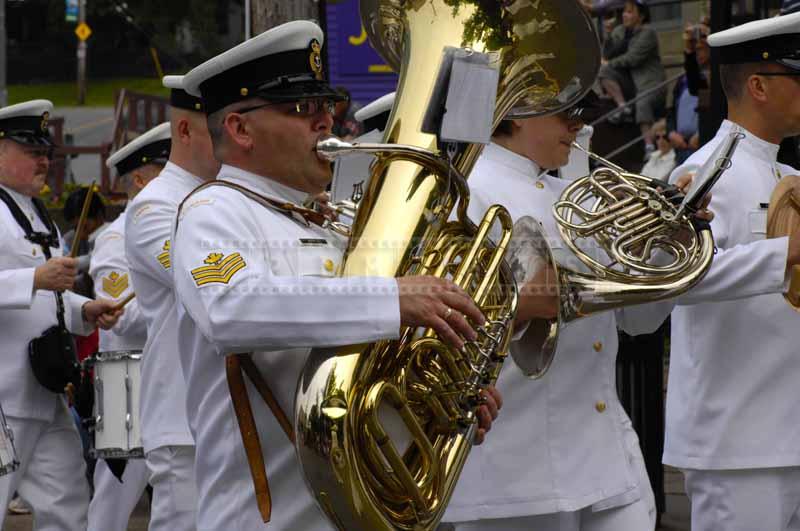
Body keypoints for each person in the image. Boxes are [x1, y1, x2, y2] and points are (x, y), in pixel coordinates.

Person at [175, 20, 499, 530]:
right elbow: (230, 309)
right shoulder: (213, 212)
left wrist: (444, 406)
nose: (327, 121)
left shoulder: (333, 223)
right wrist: (391, 299)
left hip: (368, 509)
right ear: (240, 129)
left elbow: (364, 369)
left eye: (328, 106)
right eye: (303, 109)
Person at [440, 87, 690, 530]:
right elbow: (438, 337)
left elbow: (636, 321)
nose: (578, 124)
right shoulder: (466, 194)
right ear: (515, 114)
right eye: (565, 113)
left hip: (605, 455)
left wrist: (669, 246)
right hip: (514, 469)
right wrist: (520, 305)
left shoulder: (578, 196)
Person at [665, 13, 800, 531]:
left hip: (785, 427)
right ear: (759, 85)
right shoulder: (702, 173)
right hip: (737, 439)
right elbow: (682, 280)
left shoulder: (787, 173)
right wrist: (783, 254)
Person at [0, 99, 121, 530]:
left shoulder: (36, 214)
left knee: (69, 503)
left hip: (44, 390)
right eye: (31, 152)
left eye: (45, 153)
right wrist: (34, 277)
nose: (44, 161)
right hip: (3, 398)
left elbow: (47, 295)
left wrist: (84, 309)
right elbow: (36, 282)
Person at [123, 75, 220, 531]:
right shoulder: (153, 207)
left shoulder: (221, 199)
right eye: (216, 125)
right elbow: (211, 285)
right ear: (185, 131)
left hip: (221, 412)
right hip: (183, 420)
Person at [87, 123, 170, 531]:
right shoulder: (115, 238)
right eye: (164, 168)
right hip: (126, 378)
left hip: (161, 371)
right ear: (140, 179)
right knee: (116, 494)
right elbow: (119, 315)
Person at [599, 0, 666, 155]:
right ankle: (623, 106)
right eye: (624, 11)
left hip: (650, 84)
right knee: (604, 73)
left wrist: (608, 63)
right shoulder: (620, 31)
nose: (624, 15)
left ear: (641, 16)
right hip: (631, 85)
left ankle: (649, 147)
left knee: (643, 101)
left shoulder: (648, 33)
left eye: (630, 12)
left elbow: (632, 58)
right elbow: (607, 54)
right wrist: (608, 35)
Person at [667, 21, 710, 164]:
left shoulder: (717, 75)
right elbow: (671, 110)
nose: (698, 53)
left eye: (702, 48)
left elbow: (701, 91)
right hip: (681, 146)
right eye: (695, 50)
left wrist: (701, 133)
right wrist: (671, 132)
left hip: (701, 143)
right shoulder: (683, 80)